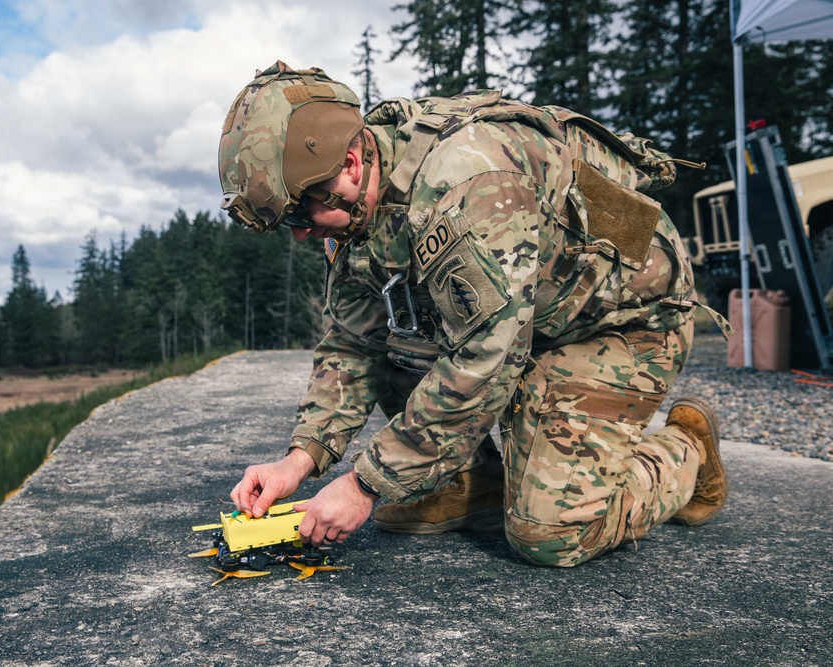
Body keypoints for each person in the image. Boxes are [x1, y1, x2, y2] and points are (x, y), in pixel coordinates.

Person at [219, 61, 732, 567]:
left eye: (297, 213)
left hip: (619, 324)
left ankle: (686, 454)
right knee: (396, 341)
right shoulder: (354, 211)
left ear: (350, 164)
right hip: (533, 317)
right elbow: (355, 342)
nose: (302, 234)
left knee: (549, 536)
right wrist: (300, 457)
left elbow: (489, 357)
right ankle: (474, 483)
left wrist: (364, 484)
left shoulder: (465, 184)